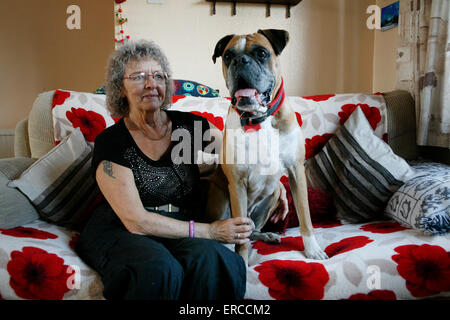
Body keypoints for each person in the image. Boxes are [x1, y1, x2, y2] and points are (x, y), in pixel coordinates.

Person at [76, 39, 287, 300]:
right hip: (121, 229)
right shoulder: (112, 141)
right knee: (158, 270)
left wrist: (274, 184)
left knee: (217, 261)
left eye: (158, 76)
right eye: (139, 77)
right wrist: (210, 231)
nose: (151, 84)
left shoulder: (191, 126)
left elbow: (241, 159)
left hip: (179, 225)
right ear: (120, 88)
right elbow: (136, 221)